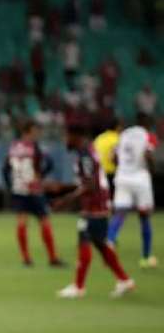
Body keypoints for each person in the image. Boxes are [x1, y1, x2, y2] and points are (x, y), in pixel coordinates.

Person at [54, 125, 135, 298]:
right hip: (96, 203)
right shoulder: (86, 152)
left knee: (85, 238)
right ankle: (124, 280)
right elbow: (89, 181)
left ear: (76, 135)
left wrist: (67, 199)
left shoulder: (85, 156)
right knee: (100, 244)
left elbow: (90, 184)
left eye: (67, 136)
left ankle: (79, 286)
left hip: (95, 205)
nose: (65, 140)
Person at [2, 121, 63, 267]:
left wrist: (10, 186)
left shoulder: (13, 147)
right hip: (34, 189)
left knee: (22, 223)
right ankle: (52, 257)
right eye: (35, 131)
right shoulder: (34, 147)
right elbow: (49, 163)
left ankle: (26, 258)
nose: (37, 134)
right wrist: (40, 175)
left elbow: (5, 169)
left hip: (18, 189)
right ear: (28, 131)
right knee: (44, 221)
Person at [107, 114, 157, 268]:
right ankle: (145, 257)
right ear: (148, 123)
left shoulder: (124, 134)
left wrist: (122, 167)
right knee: (144, 216)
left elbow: (112, 157)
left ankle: (109, 244)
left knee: (119, 214)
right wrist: (152, 168)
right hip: (140, 179)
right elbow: (148, 154)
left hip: (122, 177)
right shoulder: (148, 136)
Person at [92, 116, 122, 197]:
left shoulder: (99, 138)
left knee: (106, 198)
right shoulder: (118, 138)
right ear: (117, 126)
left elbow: (93, 154)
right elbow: (113, 157)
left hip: (101, 172)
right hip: (115, 172)